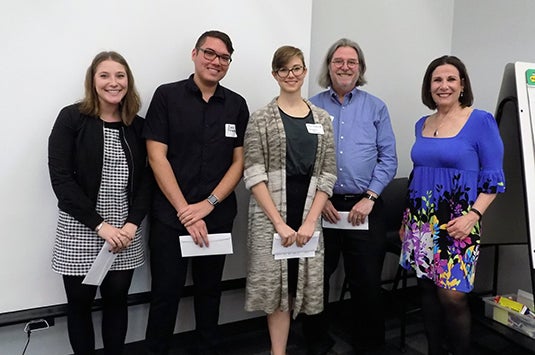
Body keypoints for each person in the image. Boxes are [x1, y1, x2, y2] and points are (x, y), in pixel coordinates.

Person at [143, 30, 249, 355]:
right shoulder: (166, 96)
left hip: (215, 218)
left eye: (224, 57)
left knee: (209, 293)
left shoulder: (236, 105)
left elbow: (238, 162)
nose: (216, 61)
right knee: (165, 296)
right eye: (210, 53)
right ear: (194, 53)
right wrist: (186, 211)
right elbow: (155, 156)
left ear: (229, 63)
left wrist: (208, 204)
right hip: (170, 219)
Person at [399, 55, 506, 355]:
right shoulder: (422, 123)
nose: (443, 85)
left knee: (453, 296)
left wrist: (473, 216)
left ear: (462, 85)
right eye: (437, 79)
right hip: (420, 221)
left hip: (459, 222)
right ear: (429, 86)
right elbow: (417, 175)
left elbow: (494, 179)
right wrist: (406, 222)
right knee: (427, 292)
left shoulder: (481, 122)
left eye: (450, 79)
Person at [48, 51, 152, 355]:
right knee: (80, 305)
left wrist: (131, 224)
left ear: (128, 81)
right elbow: (61, 180)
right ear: (93, 81)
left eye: (120, 75)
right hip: (81, 228)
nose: (113, 82)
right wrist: (100, 226)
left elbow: (148, 180)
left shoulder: (138, 126)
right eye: (104, 75)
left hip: (125, 231)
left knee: (117, 302)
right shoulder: (72, 118)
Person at [303, 38, 398, 354]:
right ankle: (316, 342)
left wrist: (370, 197)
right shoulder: (311, 107)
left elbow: (388, 158)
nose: (345, 66)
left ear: (360, 68)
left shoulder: (376, 107)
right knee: (316, 279)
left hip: (365, 207)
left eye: (351, 62)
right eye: (338, 61)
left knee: (367, 282)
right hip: (322, 207)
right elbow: (304, 158)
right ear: (328, 67)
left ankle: (368, 345)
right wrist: (321, 197)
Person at [243, 45, 337, 355]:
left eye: (296, 68)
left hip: (310, 211)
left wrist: (311, 221)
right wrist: (280, 224)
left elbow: (327, 174)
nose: (291, 75)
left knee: (300, 282)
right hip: (272, 212)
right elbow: (254, 174)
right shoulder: (260, 118)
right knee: (276, 289)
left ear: (305, 71)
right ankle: (278, 351)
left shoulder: (322, 119)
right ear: (274, 74)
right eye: (283, 70)